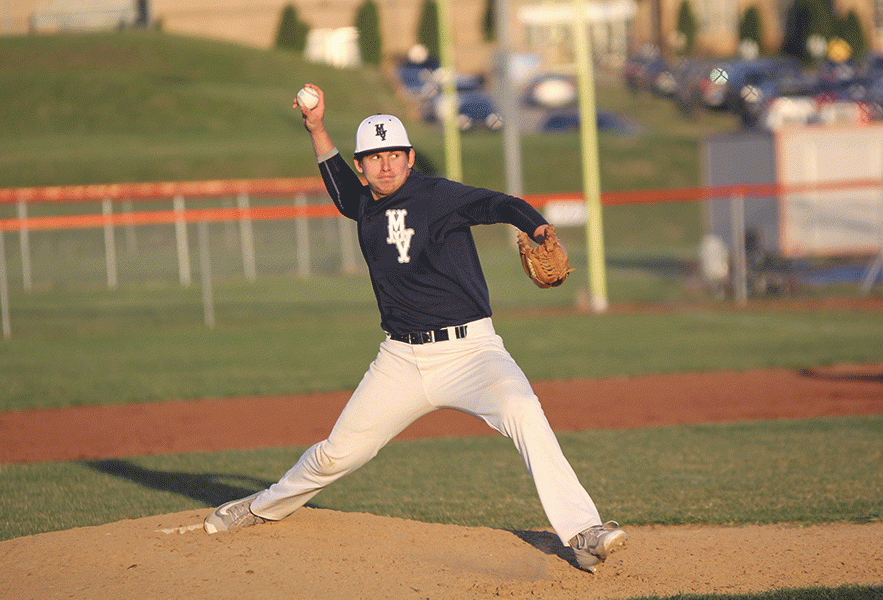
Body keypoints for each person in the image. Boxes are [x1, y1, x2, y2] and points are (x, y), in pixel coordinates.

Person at [204, 84, 628, 572]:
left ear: (409, 157)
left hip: (473, 353)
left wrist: (535, 227)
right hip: (401, 361)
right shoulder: (362, 203)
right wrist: (317, 127)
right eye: (373, 157)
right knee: (335, 455)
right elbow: (338, 184)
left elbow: (499, 204)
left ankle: (583, 531)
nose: (385, 165)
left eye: (394, 154)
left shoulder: (439, 196)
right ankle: (261, 507)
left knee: (523, 411)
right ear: (362, 167)